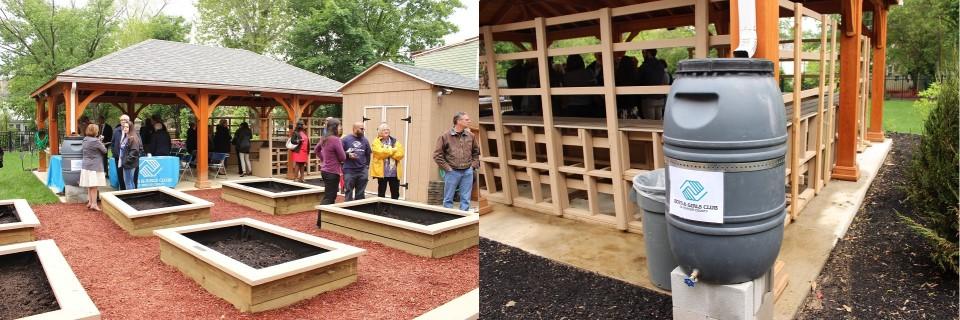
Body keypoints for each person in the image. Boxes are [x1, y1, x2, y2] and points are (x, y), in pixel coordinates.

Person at [433, 112, 480, 211]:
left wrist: (472, 166)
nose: (469, 121)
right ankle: (448, 218)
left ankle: (464, 220)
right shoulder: (445, 136)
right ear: (458, 121)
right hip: (452, 171)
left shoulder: (471, 136)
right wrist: (448, 169)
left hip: (468, 171)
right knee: (448, 199)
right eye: (466, 119)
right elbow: (437, 155)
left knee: (466, 199)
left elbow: (476, 152)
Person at [315, 119, 346, 209]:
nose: (341, 128)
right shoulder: (336, 140)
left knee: (328, 195)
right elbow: (342, 157)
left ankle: (323, 220)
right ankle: (321, 220)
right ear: (334, 127)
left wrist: (323, 159)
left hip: (324, 171)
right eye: (339, 126)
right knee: (330, 197)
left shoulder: (324, 138)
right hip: (332, 172)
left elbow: (316, 150)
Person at [370, 123, 404, 199]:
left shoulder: (395, 141)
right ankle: (381, 210)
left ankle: (394, 209)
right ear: (380, 132)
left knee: (395, 193)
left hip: (394, 173)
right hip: (382, 173)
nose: (386, 131)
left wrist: (387, 152)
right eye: (384, 130)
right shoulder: (376, 142)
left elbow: (400, 155)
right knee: (381, 193)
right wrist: (393, 150)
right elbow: (379, 153)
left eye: (387, 129)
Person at [79, 124, 108, 211]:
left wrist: (98, 141)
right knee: (94, 186)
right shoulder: (96, 141)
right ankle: (94, 204)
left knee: (89, 185)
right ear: (95, 131)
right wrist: (101, 142)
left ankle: (90, 202)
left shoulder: (85, 139)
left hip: (86, 165)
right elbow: (104, 150)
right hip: (94, 166)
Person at [341, 122, 371, 201]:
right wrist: (348, 155)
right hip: (349, 170)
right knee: (348, 191)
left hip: (362, 170)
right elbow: (339, 153)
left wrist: (367, 166)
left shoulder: (365, 140)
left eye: (363, 129)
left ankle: (359, 210)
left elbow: (368, 154)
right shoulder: (345, 140)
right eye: (361, 129)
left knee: (360, 193)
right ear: (354, 129)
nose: (363, 130)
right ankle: (347, 210)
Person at [638, 49, 670, 120]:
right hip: (660, 98)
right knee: (658, 124)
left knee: (650, 124)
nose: (642, 54)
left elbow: (637, 79)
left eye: (643, 52)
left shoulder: (645, 66)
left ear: (648, 53)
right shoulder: (660, 65)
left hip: (648, 98)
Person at [118, 122, 142, 190]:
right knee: (130, 181)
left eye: (127, 127)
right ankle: (133, 198)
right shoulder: (126, 136)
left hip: (129, 163)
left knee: (128, 182)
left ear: (131, 128)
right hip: (126, 162)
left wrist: (126, 161)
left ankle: (130, 198)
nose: (125, 128)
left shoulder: (133, 138)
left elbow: (134, 151)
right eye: (124, 127)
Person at [111, 115, 130, 190]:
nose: (123, 121)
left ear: (128, 120)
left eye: (125, 119)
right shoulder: (116, 130)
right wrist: (114, 153)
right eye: (121, 120)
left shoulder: (132, 131)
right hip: (118, 158)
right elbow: (112, 143)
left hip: (129, 158)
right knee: (120, 176)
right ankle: (122, 192)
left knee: (129, 178)